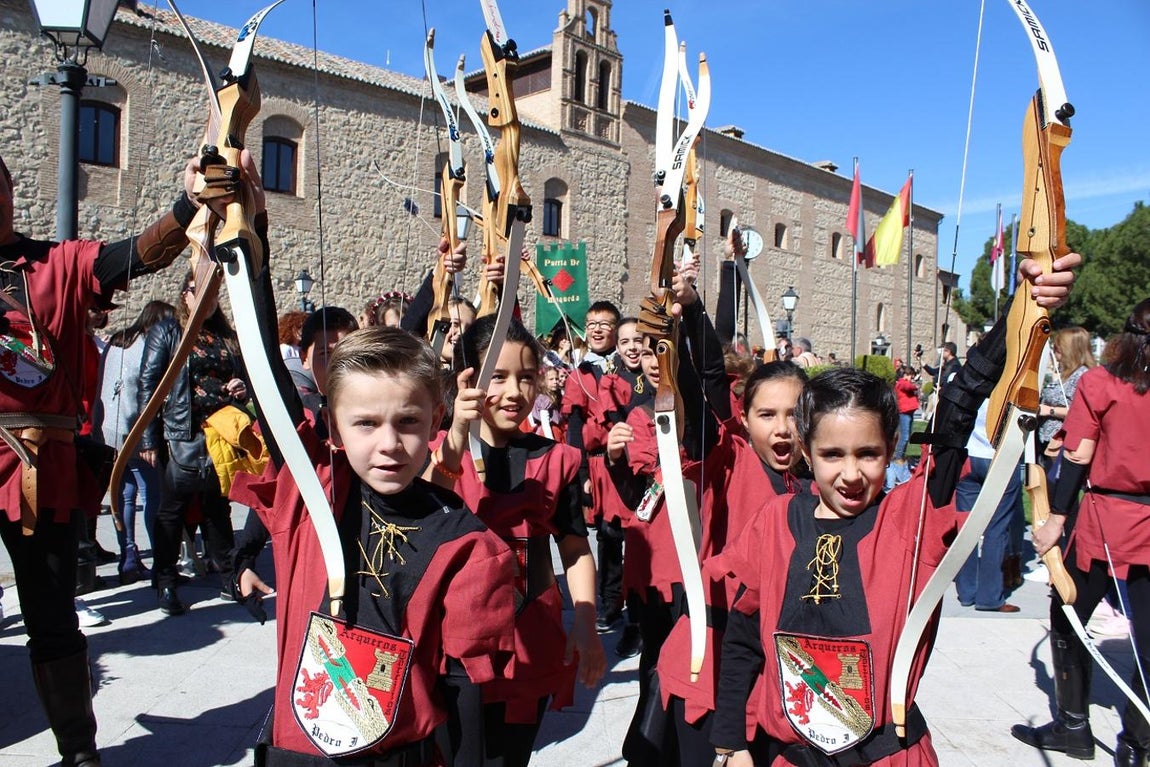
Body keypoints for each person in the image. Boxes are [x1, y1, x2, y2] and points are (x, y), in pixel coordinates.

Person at [709, 254, 1080, 766]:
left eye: (869, 453)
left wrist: (1023, 308)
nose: (851, 473)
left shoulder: (911, 519)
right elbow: (745, 639)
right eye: (832, 455)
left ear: (891, 450)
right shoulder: (776, 523)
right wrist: (731, 742)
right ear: (806, 450)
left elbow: (957, 406)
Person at [0, 149, 209, 767]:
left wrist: (189, 204)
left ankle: (79, 754)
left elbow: (136, 255)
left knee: (50, 617)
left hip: (38, 470)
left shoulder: (56, 264)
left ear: (10, 190)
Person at [436, 315, 606, 767]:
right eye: (498, 376)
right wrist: (456, 434)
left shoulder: (556, 459)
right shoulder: (438, 452)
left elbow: (574, 547)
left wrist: (586, 624)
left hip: (527, 641)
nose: (515, 392)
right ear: (468, 378)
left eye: (526, 377)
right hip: (451, 647)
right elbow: (430, 499)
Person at [1013, 298, 1150, 766]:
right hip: (1129, 517)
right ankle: (1136, 747)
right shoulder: (1099, 382)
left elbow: (1077, 454)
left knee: (1069, 616)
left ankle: (1074, 728)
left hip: (1104, 519)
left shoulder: (1101, 382)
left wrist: (1055, 518)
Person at [139, 267, 248, 615]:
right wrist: (148, 439)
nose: (207, 298)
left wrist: (240, 387)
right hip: (180, 434)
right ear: (185, 293)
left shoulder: (225, 335)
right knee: (171, 511)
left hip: (220, 434)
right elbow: (149, 385)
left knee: (218, 509)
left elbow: (243, 377)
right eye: (198, 290)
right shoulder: (169, 330)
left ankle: (230, 577)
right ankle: (166, 581)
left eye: (214, 292)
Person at [93, 299, 176, 585]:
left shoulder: (117, 341)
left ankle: (128, 557)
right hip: (134, 430)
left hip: (107, 429)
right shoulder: (148, 345)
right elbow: (148, 389)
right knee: (153, 494)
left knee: (126, 493)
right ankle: (163, 562)